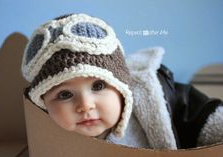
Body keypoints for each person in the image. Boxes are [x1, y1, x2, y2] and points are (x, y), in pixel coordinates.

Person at [22, 13, 223, 150]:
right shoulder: (45, 139)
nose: (85, 106)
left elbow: (200, 115)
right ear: (43, 104)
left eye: (98, 86)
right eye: (65, 94)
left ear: (121, 88)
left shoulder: (154, 99)